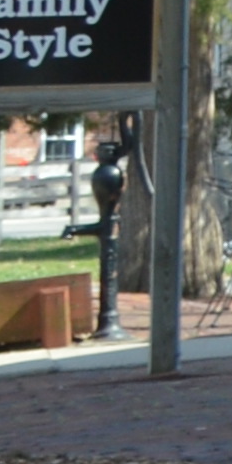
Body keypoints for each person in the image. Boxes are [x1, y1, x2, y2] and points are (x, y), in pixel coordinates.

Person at [87, 123, 135, 339]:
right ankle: (108, 319)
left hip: (110, 219)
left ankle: (109, 319)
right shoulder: (109, 172)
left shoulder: (111, 172)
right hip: (108, 219)